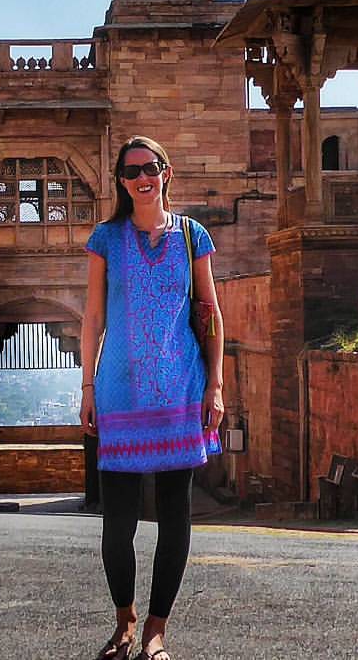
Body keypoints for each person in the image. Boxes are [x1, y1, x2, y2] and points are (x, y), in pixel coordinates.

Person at [80, 135, 225, 660]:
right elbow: (94, 317)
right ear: (121, 181)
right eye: (131, 170)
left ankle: (156, 632)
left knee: (174, 517)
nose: (142, 177)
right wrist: (88, 386)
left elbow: (209, 310)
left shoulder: (193, 236)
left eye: (150, 167)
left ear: (166, 172)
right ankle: (124, 619)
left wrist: (216, 382)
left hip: (180, 390)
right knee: (117, 525)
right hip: (119, 391)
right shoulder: (106, 238)